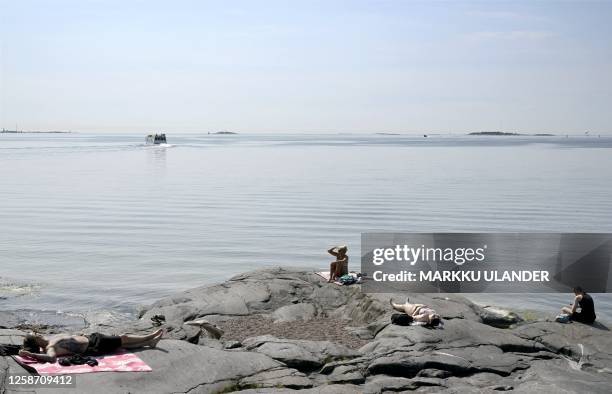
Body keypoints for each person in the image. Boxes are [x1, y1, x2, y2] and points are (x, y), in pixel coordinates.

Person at [19, 329, 163, 363]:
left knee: (121, 344)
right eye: (34, 335)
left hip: (91, 338)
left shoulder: (50, 338)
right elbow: (51, 359)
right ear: (36, 341)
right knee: (123, 338)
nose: (36, 333)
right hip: (94, 345)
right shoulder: (50, 347)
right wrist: (31, 355)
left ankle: (148, 343)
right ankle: (149, 337)